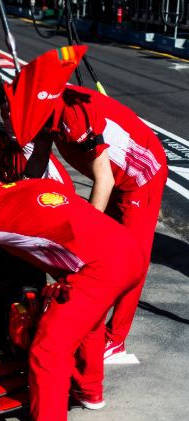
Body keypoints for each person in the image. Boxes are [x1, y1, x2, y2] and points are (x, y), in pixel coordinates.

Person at [0, 167, 144, 421]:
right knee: (89, 321)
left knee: (47, 352)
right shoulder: (33, 184)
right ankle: (89, 391)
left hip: (98, 270)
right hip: (127, 249)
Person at [26, 85, 168, 360]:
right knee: (102, 258)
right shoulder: (39, 107)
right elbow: (38, 158)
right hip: (114, 178)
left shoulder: (74, 116)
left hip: (140, 177)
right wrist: (18, 193)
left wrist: (86, 231)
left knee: (129, 259)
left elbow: (105, 179)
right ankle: (89, 324)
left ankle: (115, 340)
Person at [0, 119, 73, 187]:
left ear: (1, 141)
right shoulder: (3, 164)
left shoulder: (24, 145)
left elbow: (11, 117)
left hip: (59, 194)